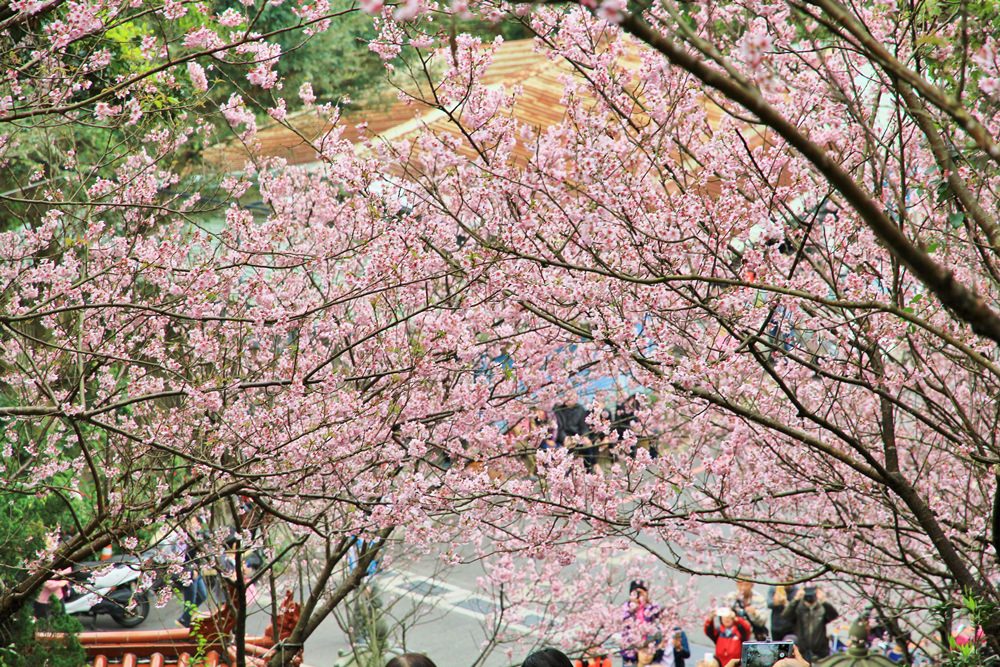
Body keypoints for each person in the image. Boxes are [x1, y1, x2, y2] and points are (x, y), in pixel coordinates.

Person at [782, 586, 838, 661]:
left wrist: (824, 601)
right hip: (802, 650)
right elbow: (786, 616)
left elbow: (834, 615)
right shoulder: (798, 609)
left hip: (820, 651)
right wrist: (796, 599)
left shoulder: (822, 609)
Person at [622, 580, 663, 666]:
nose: (638, 595)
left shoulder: (650, 607)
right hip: (631, 648)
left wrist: (647, 600)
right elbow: (624, 622)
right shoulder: (626, 607)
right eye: (635, 592)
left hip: (647, 648)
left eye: (641, 592)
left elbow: (659, 614)